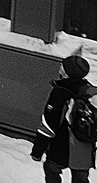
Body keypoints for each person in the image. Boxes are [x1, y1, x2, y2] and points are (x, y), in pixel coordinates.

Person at [33, 54, 95, 183]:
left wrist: (37, 151)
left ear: (67, 73)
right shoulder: (88, 91)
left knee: (51, 170)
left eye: (63, 67)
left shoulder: (60, 92)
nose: (60, 68)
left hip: (61, 147)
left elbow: (49, 125)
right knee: (81, 179)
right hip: (84, 149)